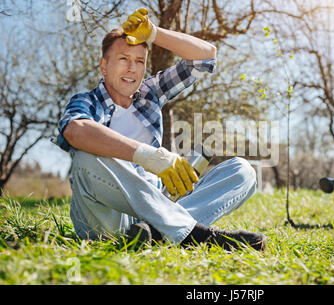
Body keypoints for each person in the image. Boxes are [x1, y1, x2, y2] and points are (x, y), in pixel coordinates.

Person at [54, 8, 266, 250]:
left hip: (160, 202)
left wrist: (154, 33)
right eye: (123, 59)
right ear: (104, 66)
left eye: (139, 61)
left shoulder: (149, 94)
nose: (132, 69)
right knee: (85, 157)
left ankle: (156, 233)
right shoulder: (88, 101)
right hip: (107, 219)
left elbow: (206, 56)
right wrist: (149, 156)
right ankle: (193, 234)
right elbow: (75, 131)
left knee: (243, 171)